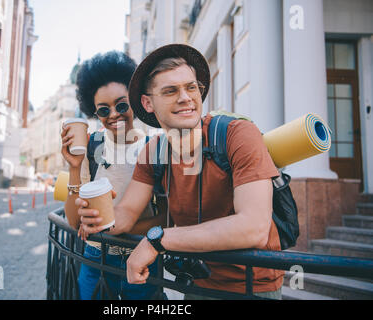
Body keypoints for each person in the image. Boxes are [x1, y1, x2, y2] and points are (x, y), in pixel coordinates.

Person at [76, 44, 284, 300]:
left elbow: (253, 227)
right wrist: (99, 219)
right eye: (171, 91)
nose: (185, 97)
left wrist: (157, 240)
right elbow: (127, 214)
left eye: (191, 87)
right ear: (147, 103)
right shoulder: (153, 151)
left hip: (251, 287)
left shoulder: (237, 133)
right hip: (195, 284)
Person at [60, 51, 165, 300]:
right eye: (103, 110)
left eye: (121, 105)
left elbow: (167, 217)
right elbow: (74, 222)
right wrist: (74, 167)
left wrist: (111, 228)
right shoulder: (90, 146)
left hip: (141, 257)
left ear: (135, 102)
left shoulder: (155, 148)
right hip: (95, 258)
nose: (114, 115)